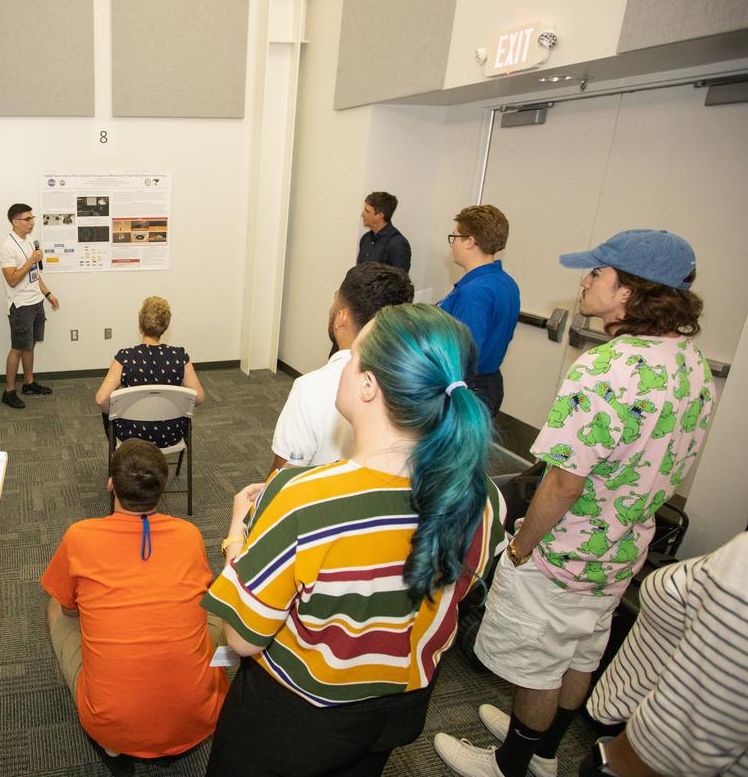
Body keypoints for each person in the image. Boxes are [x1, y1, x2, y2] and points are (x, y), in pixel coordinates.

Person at [434, 229, 716, 777]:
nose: (584, 281)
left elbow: (563, 482)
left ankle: (510, 763)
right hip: (622, 550)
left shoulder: (607, 367)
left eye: (597, 273)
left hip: (563, 552)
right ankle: (543, 751)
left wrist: (522, 547)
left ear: (629, 290)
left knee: (540, 664)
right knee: (580, 653)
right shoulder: (692, 365)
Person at [204, 303, 507, 776]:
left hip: (297, 717)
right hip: (399, 708)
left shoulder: (304, 497)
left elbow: (241, 640)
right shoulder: (483, 497)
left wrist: (236, 539)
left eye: (352, 357)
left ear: (368, 385)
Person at [41, 439, 229, 771]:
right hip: (199, 718)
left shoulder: (79, 536)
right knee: (216, 605)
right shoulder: (190, 534)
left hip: (112, 726)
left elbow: (70, 610)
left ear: (110, 484)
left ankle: (112, 742)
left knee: (55, 604)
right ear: (162, 487)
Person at [581, 532, 747, 776]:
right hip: (640, 729)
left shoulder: (742, 574)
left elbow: (681, 739)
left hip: (642, 758)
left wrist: (610, 762)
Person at [269, 263, 414, 473]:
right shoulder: (418, 383)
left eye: (334, 302)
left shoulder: (310, 388)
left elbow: (282, 478)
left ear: (341, 318)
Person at [438, 205, 520, 416]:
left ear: (470, 241)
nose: (452, 245)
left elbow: (464, 355)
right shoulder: (505, 282)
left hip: (468, 390)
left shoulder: (475, 292)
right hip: (489, 383)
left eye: (455, 237)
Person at [95, 296, 204, 448]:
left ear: (140, 325)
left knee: (108, 409)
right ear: (165, 326)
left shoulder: (125, 358)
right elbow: (198, 398)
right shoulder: (179, 357)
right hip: (171, 435)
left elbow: (101, 400)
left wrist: (117, 414)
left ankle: (117, 457)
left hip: (132, 437)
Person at [0, 202, 59, 409]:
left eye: (32, 218)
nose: (32, 222)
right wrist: (32, 259)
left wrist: (47, 293)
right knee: (17, 348)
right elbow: (12, 280)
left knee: (30, 345)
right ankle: (9, 392)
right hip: (20, 305)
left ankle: (29, 383)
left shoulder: (30, 241)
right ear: (15, 222)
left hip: (36, 301)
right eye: (27, 219)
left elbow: (35, 274)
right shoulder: (7, 247)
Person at [356, 191, 411, 272]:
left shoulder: (398, 244)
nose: (362, 214)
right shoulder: (365, 238)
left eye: (367, 211)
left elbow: (400, 278)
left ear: (379, 216)